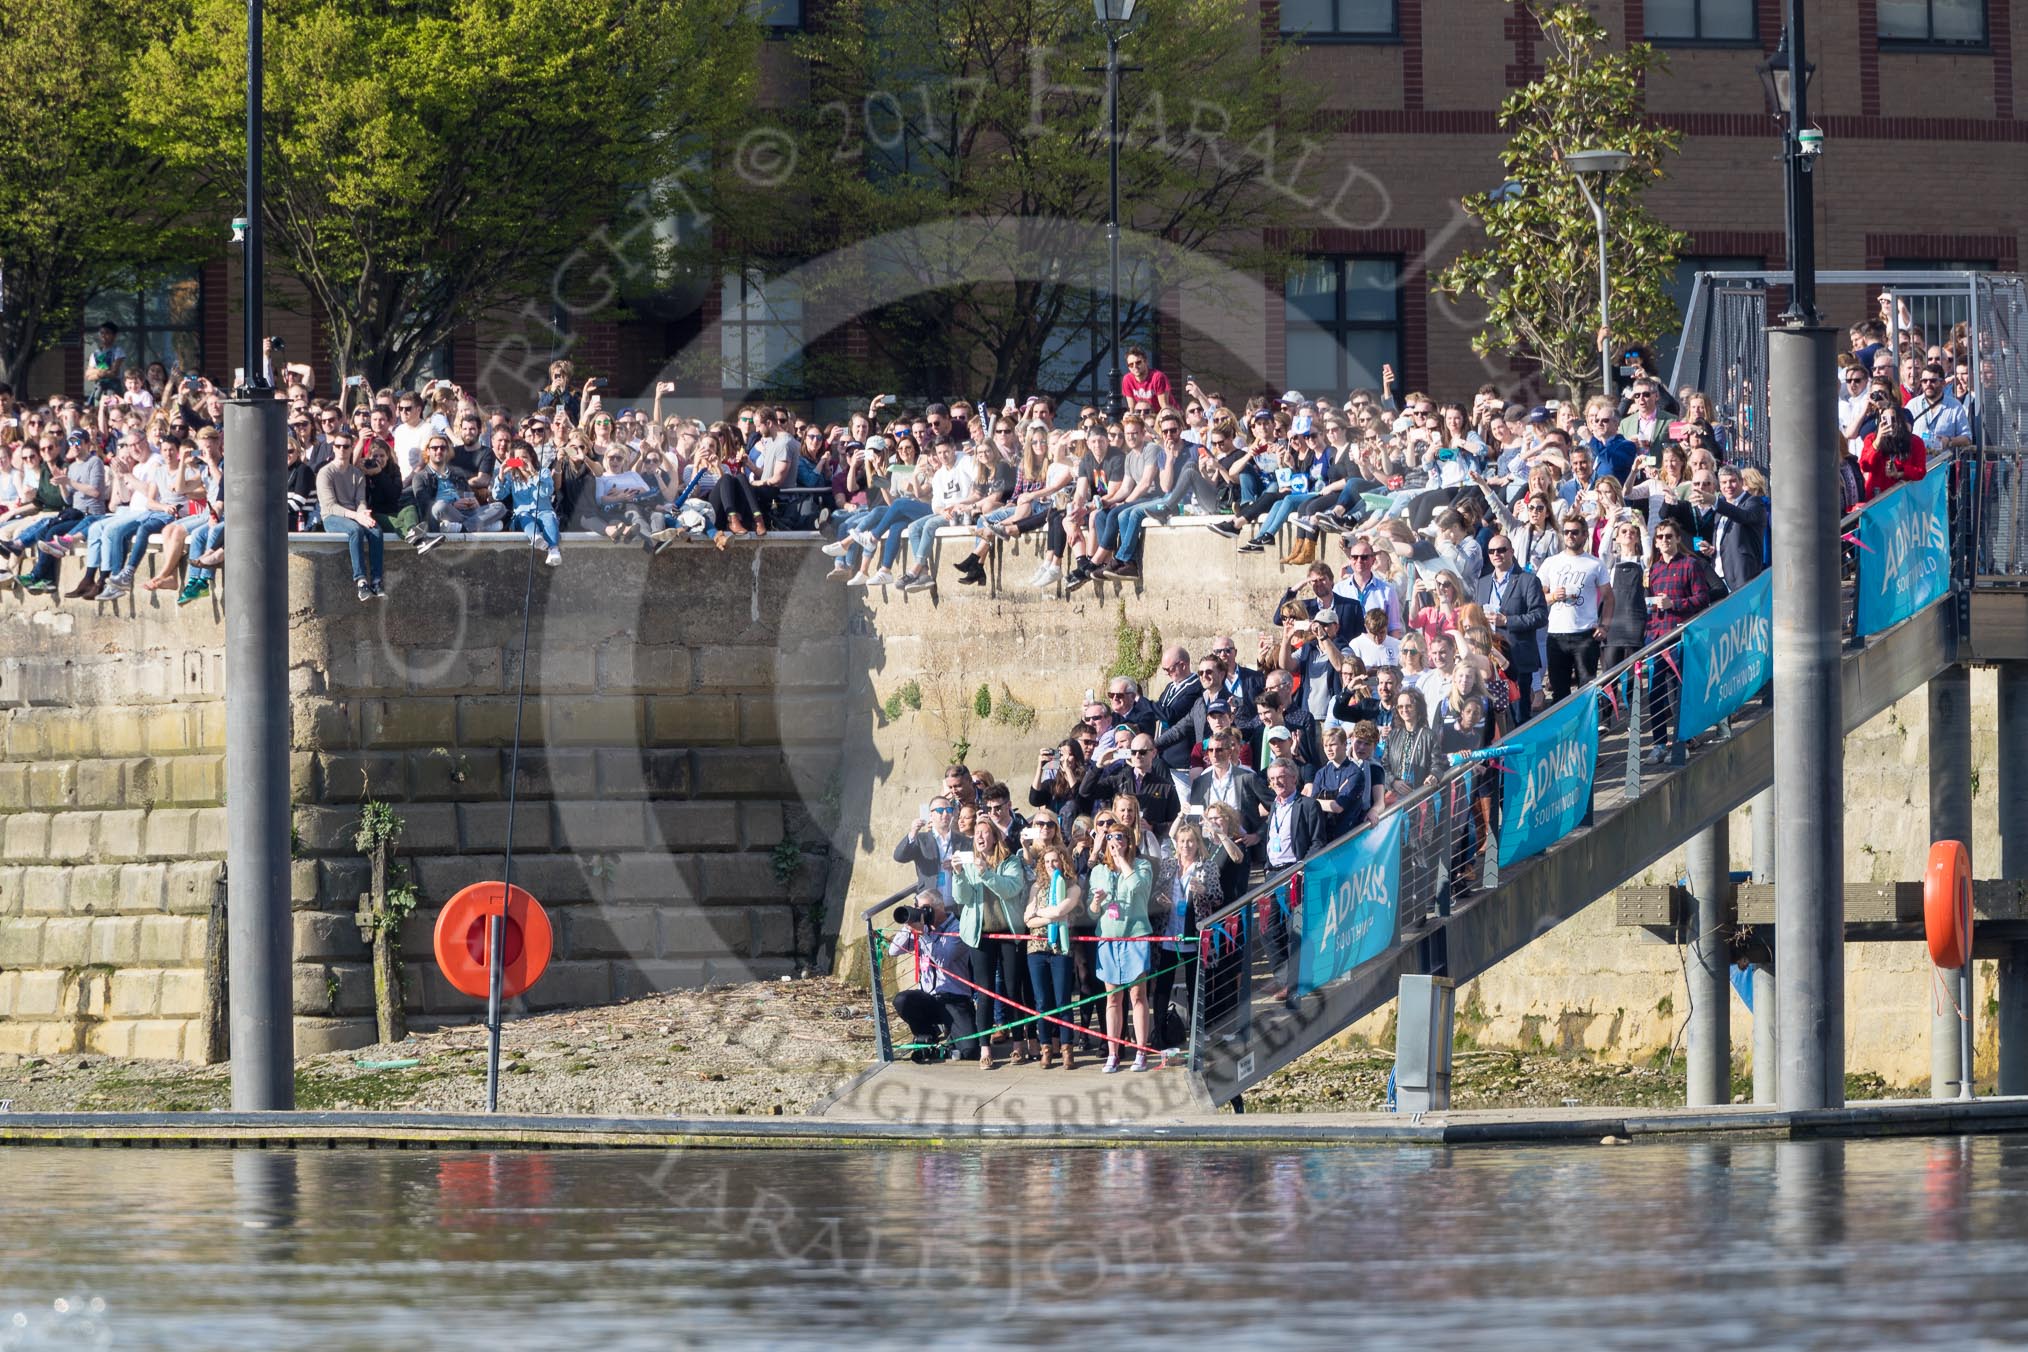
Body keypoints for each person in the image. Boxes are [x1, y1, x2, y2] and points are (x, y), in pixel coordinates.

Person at [949, 817, 1031, 1069]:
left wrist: (986, 872)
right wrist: (960, 874)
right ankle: (985, 1047)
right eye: (977, 834)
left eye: (985, 833)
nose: (980, 837)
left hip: (1007, 932)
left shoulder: (1010, 862)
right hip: (980, 934)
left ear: (995, 837)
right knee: (983, 993)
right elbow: (961, 898)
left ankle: (1019, 1043)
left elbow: (1010, 889)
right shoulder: (969, 863)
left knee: (1011, 989)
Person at [1086, 816, 1156, 1073]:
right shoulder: (1098, 872)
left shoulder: (1141, 866)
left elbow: (1138, 887)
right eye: (1110, 838)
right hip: (1108, 936)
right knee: (1112, 998)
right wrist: (1096, 902)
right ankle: (1113, 1053)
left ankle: (1141, 1051)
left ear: (1129, 842)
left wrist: (1122, 860)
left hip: (1135, 936)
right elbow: (1092, 912)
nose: (1114, 841)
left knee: (1137, 995)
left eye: (1120, 837)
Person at [887, 890, 977, 1062]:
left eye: (925, 909)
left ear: (939, 907)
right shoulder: (922, 929)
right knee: (902, 1000)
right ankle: (927, 1033)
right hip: (928, 997)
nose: (922, 913)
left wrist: (924, 935)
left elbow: (943, 959)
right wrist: (908, 925)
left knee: (969, 1052)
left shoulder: (957, 928)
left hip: (954, 999)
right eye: (918, 909)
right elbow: (893, 951)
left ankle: (953, 1035)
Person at [1537, 511, 1612, 704]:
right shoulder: (1550, 563)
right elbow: (1537, 598)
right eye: (1567, 532)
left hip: (1585, 635)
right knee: (1559, 692)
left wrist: (1605, 625)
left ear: (1585, 535)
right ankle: (1563, 733)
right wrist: (1553, 596)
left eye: (1575, 532)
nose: (1570, 536)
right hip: (1556, 634)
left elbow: (1609, 597)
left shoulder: (1595, 564)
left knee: (1587, 689)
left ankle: (1586, 732)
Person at [1474, 534, 1548, 723]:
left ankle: (1522, 752)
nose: (1496, 554)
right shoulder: (1482, 583)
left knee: (1519, 716)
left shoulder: (1527, 580)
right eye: (1492, 551)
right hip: (1489, 660)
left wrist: (1506, 620)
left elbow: (1540, 616)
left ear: (1511, 552)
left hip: (1518, 658)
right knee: (1492, 718)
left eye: (1501, 550)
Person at [1022, 845, 1085, 1069]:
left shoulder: (1072, 887)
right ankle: (1046, 1047)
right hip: (1036, 948)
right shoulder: (1036, 887)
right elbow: (1028, 921)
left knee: (1063, 1001)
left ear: (1063, 862)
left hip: (1061, 949)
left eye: (1055, 861)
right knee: (1042, 1002)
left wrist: (1040, 913)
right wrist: (1047, 916)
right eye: (1047, 862)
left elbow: (1062, 910)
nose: (1051, 865)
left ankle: (1067, 1048)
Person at [316, 431, 384, 601]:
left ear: (351, 448)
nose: (341, 449)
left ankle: (376, 580)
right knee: (355, 531)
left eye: (346, 446)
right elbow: (330, 506)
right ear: (333, 448)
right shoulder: (325, 472)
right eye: (338, 446)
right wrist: (357, 516)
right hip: (332, 517)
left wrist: (363, 513)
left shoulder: (357, 474)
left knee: (376, 530)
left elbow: (360, 500)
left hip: (353, 514)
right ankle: (361, 580)